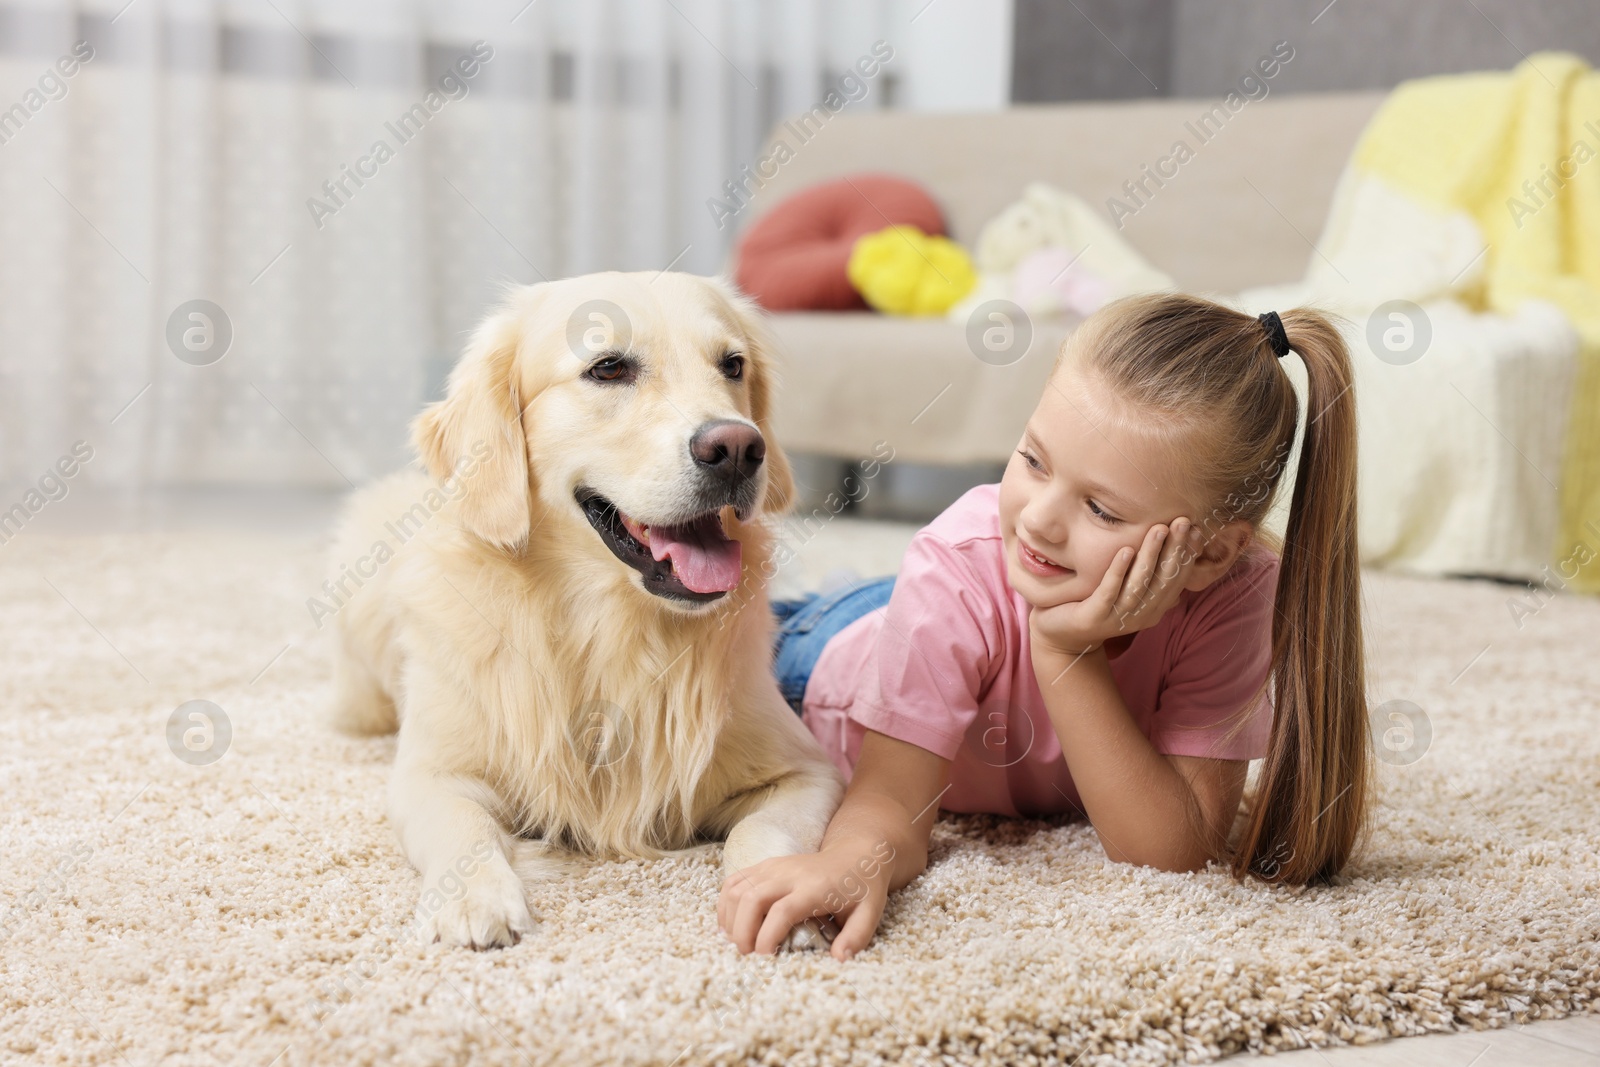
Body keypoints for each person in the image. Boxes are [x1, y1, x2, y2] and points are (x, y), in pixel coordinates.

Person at [717, 292, 1375, 962]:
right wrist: (851, 862)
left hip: (976, 599)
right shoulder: (960, 563)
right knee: (724, 645)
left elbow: (1173, 851)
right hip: (832, 648)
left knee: (967, 588)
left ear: (1208, 554)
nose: (1038, 519)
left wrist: (1066, 652)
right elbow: (891, 798)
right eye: (1033, 460)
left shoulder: (1238, 592)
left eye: (1099, 508)